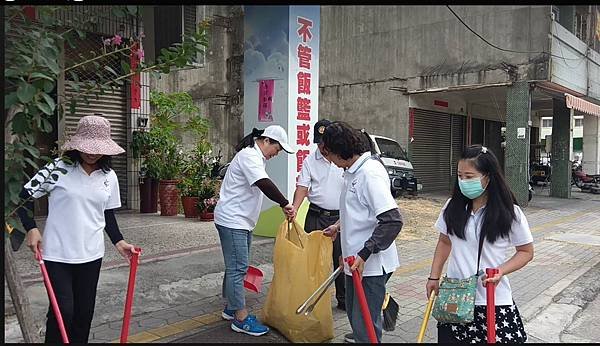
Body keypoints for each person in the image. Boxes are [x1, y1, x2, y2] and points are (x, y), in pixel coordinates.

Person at [17, 115, 138, 343]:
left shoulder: (108, 176)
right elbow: (24, 196)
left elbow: (107, 214)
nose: (92, 153)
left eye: (97, 148)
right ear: (77, 145)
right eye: (87, 147)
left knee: (84, 313)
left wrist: (119, 241)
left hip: (91, 254)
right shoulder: (58, 168)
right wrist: (31, 228)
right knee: (64, 311)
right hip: (57, 254)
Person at [426, 144, 534, 343]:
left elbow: (526, 251)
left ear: (488, 177)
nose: (463, 181)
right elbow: (444, 242)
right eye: (460, 176)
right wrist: (433, 277)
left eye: (470, 176)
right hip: (455, 297)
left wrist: (501, 270)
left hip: (492, 299)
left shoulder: (510, 213)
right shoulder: (452, 207)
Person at [320, 121, 404, 343]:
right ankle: (362, 334)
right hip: (354, 261)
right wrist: (339, 225)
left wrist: (364, 253)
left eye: (329, 154)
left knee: (364, 320)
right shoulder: (352, 171)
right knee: (356, 315)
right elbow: (359, 209)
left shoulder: (369, 173)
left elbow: (391, 220)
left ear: (340, 151)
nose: (329, 160)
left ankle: (366, 336)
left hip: (370, 264)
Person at [214, 125, 296, 337]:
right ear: (267, 141)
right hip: (233, 221)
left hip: (239, 220)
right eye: (276, 150)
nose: (275, 155)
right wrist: (284, 203)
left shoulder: (254, 157)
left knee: (235, 266)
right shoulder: (249, 156)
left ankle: (231, 308)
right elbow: (263, 183)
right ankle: (240, 318)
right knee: (238, 267)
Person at [291, 118, 347, 311]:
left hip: (341, 218)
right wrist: (295, 208)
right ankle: (314, 299)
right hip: (316, 216)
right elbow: (302, 187)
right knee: (313, 260)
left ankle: (344, 299)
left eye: (325, 143)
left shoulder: (342, 158)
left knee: (341, 258)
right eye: (319, 142)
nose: (322, 147)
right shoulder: (310, 160)